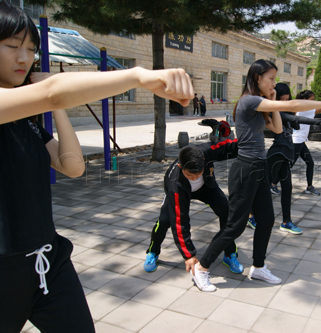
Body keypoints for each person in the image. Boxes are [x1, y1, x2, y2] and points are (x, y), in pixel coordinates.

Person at [0, 2, 193, 332]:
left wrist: (53, 110)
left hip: (48, 261)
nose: (24, 58)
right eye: (12, 46)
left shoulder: (24, 121)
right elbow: (52, 93)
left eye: (31, 48)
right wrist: (137, 75)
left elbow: (72, 166)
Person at [191, 59, 321, 292]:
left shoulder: (262, 103)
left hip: (258, 168)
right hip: (245, 169)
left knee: (266, 220)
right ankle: (201, 268)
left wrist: (274, 102)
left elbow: (275, 128)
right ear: (257, 79)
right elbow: (293, 106)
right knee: (235, 226)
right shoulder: (248, 100)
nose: (274, 83)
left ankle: (258, 266)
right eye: (271, 79)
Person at [144, 142, 244, 275]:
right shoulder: (174, 184)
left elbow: (230, 146)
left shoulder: (206, 152)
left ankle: (230, 253)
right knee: (164, 221)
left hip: (206, 188)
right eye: (190, 176)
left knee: (227, 212)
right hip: (182, 191)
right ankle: (153, 252)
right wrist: (189, 254)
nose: (195, 178)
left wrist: (251, 144)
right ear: (180, 167)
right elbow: (180, 222)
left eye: (198, 174)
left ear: (203, 161)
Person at [267, 83, 321, 235]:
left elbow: (294, 123)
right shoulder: (274, 112)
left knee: (288, 188)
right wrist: (320, 122)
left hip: (286, 152)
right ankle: (250, 215)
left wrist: (294, 122)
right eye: (281, 99)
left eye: (287, 99)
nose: (285, 102)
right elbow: (292, 119)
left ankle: (286, 222)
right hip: (276, 153)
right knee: (261, 188)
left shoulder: (286, 111)